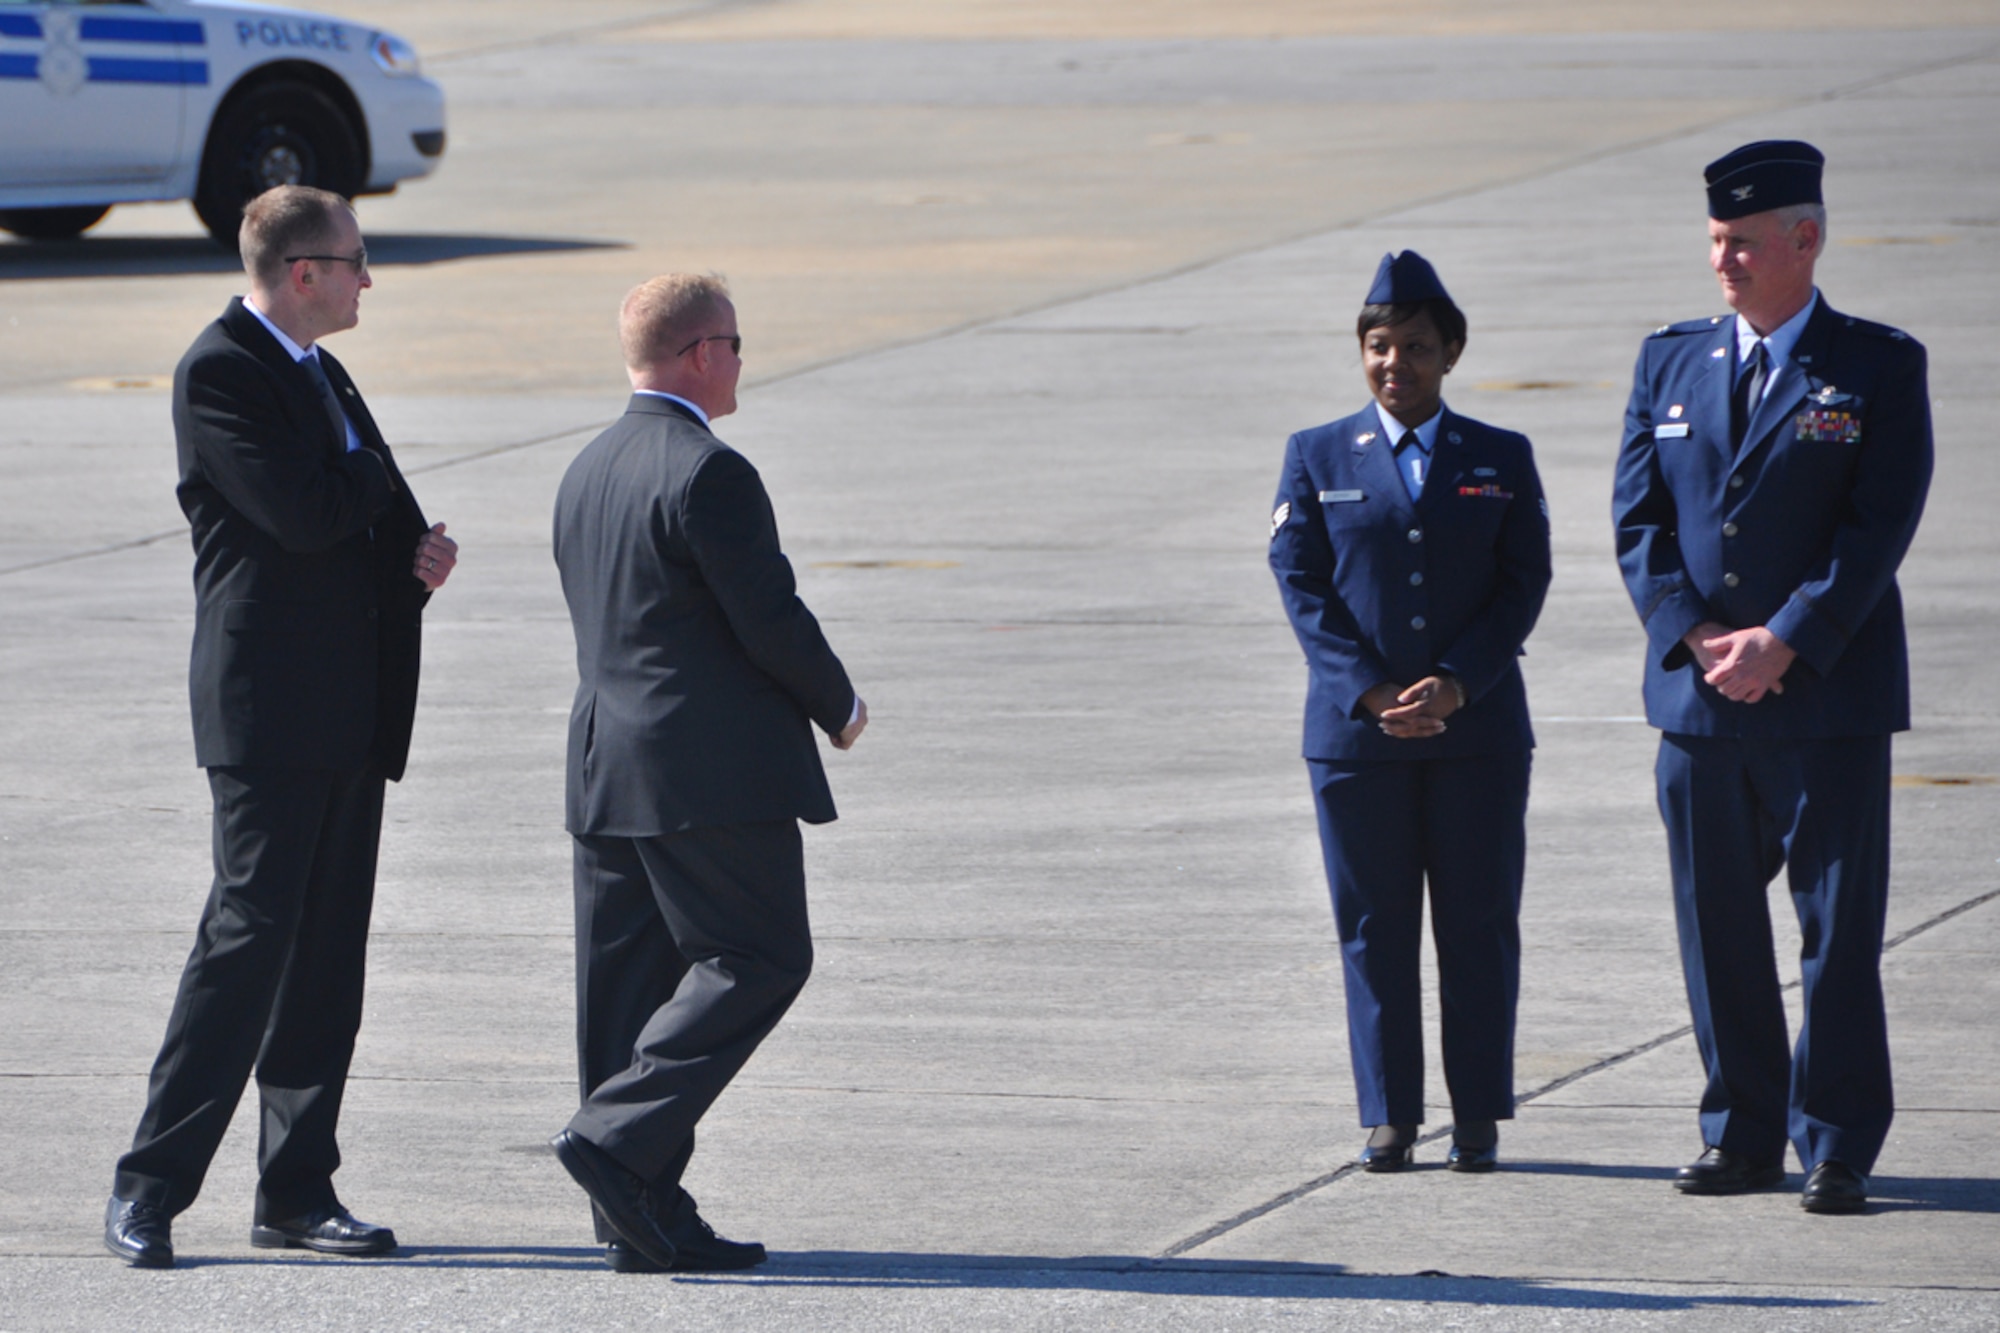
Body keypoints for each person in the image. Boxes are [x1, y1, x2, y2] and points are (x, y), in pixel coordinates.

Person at [104, 185, 459, 1268]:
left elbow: (363, 520)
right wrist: (362, 481)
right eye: (354, 259)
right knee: (244, 947)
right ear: (301, 271)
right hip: (269, 712)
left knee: (325, 961)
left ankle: (297, 1189)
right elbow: (305, 510)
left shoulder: (319, 369)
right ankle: (150, 1187)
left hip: (348, 705)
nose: (366, 278)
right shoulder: (224, 370)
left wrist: (413, 567)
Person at [1613, 141, 1930, 1215]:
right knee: (1716, 931)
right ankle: (1739, 1129)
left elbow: (1876, 521)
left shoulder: (1875, 364)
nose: (1722, 260)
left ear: (1805, 238)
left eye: (1742, 241)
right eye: (1712, 239)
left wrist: (1786, 636)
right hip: (1698, 704)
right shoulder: (1668, 360)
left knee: (1836, 933)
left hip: (1825, 699)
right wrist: (1693, 633)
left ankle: (1833, 1140)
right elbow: (1637, 520)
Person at [548, 274, 866, 1273]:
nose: (740, 359)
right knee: (758, 956)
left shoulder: (588, 466)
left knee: (626, 993)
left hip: (608, 767)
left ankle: (637, 1214)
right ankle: (615, 1138)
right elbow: (764, 614)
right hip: (705, 775)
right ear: (695, 352)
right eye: (734, 341)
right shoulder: (707, 471)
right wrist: (839, 703)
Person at [1269, 252, 1551, 1173]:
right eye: (1379, 347)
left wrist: (1460, 681)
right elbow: (1301, 582)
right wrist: (1372, 689)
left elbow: (1522, 584)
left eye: (1417, 348)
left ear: (1452, 353)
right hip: (1358, 740)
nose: (1396, 365)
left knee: (1476, 923)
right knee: (1374, 926)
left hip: (1476, 735)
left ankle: (1478, 1115)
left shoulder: (1499, 458)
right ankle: (1390, 1113)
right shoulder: (1315, 455)